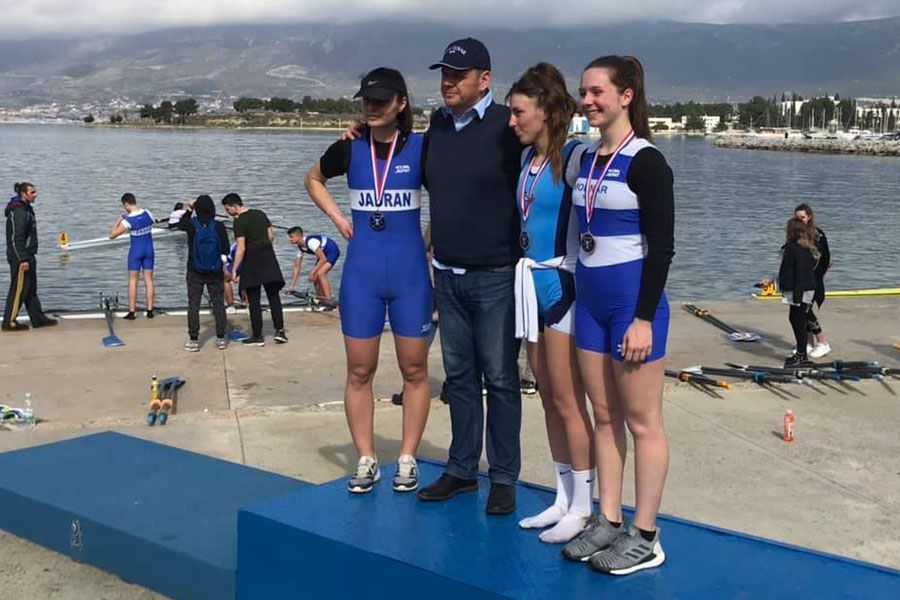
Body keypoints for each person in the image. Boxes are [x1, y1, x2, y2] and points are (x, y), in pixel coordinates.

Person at [561, 56, 674, 576]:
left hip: (632, 307)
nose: (587, 100)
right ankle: (608, 518)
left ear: (626, 96)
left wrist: (644, 318)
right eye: (583, 92)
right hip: (590, 305)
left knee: (643, 423)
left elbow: (663, 249)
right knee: (604, 416)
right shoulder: (585, 157)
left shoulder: (647, 161)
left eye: (597, 92)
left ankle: (646, 535)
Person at [305, 67, 432, 494]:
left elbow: (451, 194)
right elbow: (312, 179)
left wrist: (431, 239)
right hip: (362, 277)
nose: (372, 108)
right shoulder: (349, 146)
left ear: (402, 103)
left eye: (381, 100)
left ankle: (408, 457)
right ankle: (366, 458)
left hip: (411, 278)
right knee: (359, 370)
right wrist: (338, 219)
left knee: (415, 370)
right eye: (367, 101)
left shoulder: (421, 148)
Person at [507, 63, 595, 543]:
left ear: (545, 110)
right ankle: (562, 497)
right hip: (529, 287)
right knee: (545, 396)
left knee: (568, 401)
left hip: (562, 287)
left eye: (519, 112)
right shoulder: (527, 159)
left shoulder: (577, 157)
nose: (512, 121)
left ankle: (584, 506)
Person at [223, 193, 287, 346]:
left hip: (252, 261)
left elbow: (241, 247)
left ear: (234, 206)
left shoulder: (239, 222)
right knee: (274, 296)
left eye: (227, 209)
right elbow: (271, 236)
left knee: (254, 299)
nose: (227, 212)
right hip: (268, 258)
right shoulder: (260, 213)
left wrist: (235, 269)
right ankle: (280, 331)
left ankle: (258, 335)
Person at [177, 195, 231, 351]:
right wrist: (224, 266)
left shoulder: (192, 224)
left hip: (194, 270)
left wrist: (189, 209)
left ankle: (194, 339)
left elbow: (180, 224)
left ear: (197, 208)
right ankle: (221, 338)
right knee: (218, 303)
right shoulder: (219, 226)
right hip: (215, 271)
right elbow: (226, 249)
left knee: (193, 304)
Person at [3, 182, 57, 331]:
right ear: (23, 194)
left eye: (35, 192)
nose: (35, 195)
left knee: (30, 288)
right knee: (19, 289)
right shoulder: (19, 211)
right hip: (20, 257)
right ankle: (9, 321)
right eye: (32, 192)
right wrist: (22, 259)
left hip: (28, 254)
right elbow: (16, 239)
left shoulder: (27, 209)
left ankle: (37, 318)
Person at [779, 217, 819, 367]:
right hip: (799, 288)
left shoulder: (796, 248)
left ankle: (802, 354)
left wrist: (797, 295)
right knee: (795, 318)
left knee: (798, 320)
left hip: (801, 289)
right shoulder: (796, 246)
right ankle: (801, 353)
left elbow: (800, 272)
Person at [108, 193, 155, 319]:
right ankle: (150, 311)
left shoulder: (127, 220)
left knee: (133, 281)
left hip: (136, 251)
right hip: (149, 250)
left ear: (126, 204)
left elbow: (112, 235)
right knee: (149, 280)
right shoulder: (148, 213)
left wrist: (118, 220)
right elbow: (152, 221)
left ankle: (132, 312)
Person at [794, 203, 831, 358]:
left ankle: (822, 341)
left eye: (802, 217)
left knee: (806, 310)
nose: (799, 220)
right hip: (798, 278)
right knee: (799, 311)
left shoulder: (818, 234)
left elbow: (825, 257)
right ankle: (807, 343)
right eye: (797, 218)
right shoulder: (795, 233)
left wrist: (817, 275)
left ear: (809, 217)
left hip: (813, 278)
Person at [285, 227, 341, 301]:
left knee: (321, 273)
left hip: (332, 251)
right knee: (315, 276)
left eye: (291, 237)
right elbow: (297, 266)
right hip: (323, 254)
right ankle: (320, 299)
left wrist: (313, 271)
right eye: (289, 237)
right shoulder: (300, 248)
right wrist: (292, 286)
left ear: (299, 236)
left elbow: (323, 259)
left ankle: (328, 300)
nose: (290, 239)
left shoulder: (311, 242)